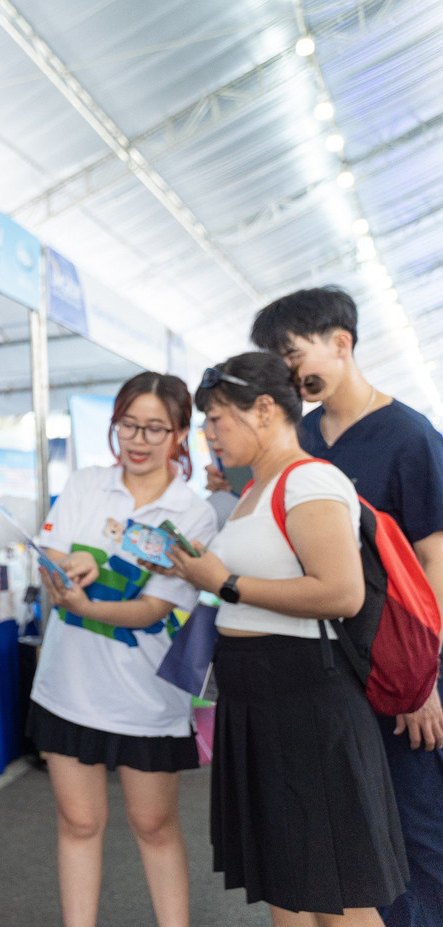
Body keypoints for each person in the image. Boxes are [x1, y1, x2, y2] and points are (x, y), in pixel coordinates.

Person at [167, 352, 407, 925]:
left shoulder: (310, 480)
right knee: (287, 877)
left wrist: (222, 580)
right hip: (257, 698)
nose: (209, 436)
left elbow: (341, 593)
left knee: (338, 889)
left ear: (266, 409)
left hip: (306, 696)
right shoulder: (255, 491)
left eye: (218, 420)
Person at [250, 286, 443, 926]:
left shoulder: (409, 437)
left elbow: (435, 560)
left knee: (415, 834)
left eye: (293, 354)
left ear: (341, 342)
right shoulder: (296, 439)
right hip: (325, 677)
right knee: (355, 837)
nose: (286, 372)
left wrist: (423, 680)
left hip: (399, 668)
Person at [31, 372, 217, 927]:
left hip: (147, 696)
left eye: (155, 428)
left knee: (154, 826)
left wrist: (86, 606)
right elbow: (51, 557)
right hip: (69, 687)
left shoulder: (192, 512)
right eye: (128, 425)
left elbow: (156, 609)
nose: (138, 439)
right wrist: (71, 569)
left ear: (181, 433)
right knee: (79, 824)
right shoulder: (87, 484)